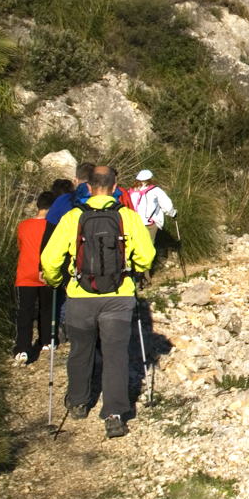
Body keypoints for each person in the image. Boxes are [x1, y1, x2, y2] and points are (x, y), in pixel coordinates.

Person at [41, 166, 155, 439]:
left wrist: (56, 280)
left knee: (81, 349)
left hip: (80, 296)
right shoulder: (128, 217)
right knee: (115, 354)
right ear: (115, 187)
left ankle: (78, 402)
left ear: (88, 187)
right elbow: (146, 256)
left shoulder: (73, 217)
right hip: (119, 295)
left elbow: (49, 259)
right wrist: (136, 269)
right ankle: (115, 415)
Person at [15, 192, 56, 365]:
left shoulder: (23, 225)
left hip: (25, 273)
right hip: (46, 272)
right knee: (46, 308)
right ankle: (46, 340)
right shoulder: (53, 226)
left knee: (25, 311)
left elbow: (21, 246)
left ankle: (22, 348)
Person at [128, 170, 175, 243]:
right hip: (149, 224)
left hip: (133, 223)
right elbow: (167, 207)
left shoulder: (131, 191)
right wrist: (173, 213)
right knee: (148, 246)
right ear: (151, 179)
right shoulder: (155, 190)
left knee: (135, 245)